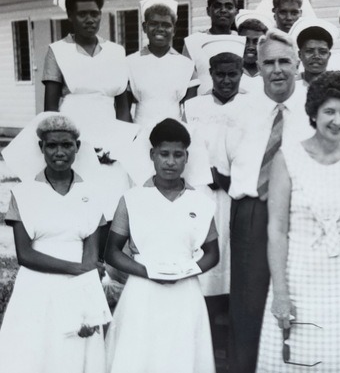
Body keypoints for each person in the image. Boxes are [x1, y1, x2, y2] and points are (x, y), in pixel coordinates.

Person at [256, 70, 340, 372]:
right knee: (303, 357)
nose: (337, 120)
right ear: (313, 113)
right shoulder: (287, 158)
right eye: (329, 111)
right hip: (300, 274)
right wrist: (280, 292)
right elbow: (276, 230)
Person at [213, 29, 314, 373]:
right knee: (248, 304)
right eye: (268, 62)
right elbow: (222, 165)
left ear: (298, 64)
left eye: (284, 61)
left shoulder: (315, 107)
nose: (277, 70)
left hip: (302, 215)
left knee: (300, 300)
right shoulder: (240, 109)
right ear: (257, 65)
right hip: (253, 213)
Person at [104, 118, 219, 373]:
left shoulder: (199, 202)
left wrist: (186, 271)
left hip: (185, 292)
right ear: (152, 155)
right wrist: (148, 272)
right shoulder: (132, 199)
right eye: (163, 154)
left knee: (181, 355)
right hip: (142, 291)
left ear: (186, 157)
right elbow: (111, 252)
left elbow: (213, 254)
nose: (170, 161)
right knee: (141, 355)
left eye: (178, 155)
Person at [0, 114, 107, 373]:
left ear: (77, 147)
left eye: (66, 145)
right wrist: (78, 269)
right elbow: (25, 255)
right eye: (51, 145)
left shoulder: (92, 193)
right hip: (35, 287)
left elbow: (91, 256)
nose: (59, 152)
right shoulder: (24, 193)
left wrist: (87, 308)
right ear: (41, 148)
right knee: (35, 353)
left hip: (78, 288)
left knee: (75, 352)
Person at [42, 0, 137, 225]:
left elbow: (123, 107)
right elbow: (50, 110)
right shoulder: (57, 51)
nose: (89, 20)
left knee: (113, 201)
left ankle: (109, 259)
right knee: (80, 205)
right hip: (74, 136)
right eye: (82, 14)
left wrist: (119, 146)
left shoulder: (115, 51)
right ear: (70, 16)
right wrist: (71, 145)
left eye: (94, 14)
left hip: (110, 138)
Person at [183, 35, 248, 357]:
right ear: (210, 73)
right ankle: (204, 343)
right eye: (220, 74)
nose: (226, 80)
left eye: (232, 73)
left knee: (233, 263)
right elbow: (188, 150)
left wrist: (226, 178)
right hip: (200, 194)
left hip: (236, 196)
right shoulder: (193, 107)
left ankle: (231, 347)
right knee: (204, 261)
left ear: (241, 73)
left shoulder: (252, 107)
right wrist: (204, 176)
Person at [126, 0, 196, 129]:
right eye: (154, 23)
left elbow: (190, 114)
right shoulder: (129, 63)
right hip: (140, 135)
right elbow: (124, 112)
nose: (160, 29)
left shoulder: (187, 66)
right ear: (144, 27)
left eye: (166, 25)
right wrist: (131, 138)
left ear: (174, 30)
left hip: (175, 138)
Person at [183, 0, 239, 94]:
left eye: (229, 7)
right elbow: (188, 85)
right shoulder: (193, 42)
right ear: (208, 10)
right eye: (218, 6)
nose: (223, 10)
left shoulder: (242, 41)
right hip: (203, 107)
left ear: (236, 11)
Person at [289, 17, 338, 92]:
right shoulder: (290, 87)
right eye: (309, 51)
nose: (316, 56)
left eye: (322, 52)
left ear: (329, 55)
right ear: (300, 55)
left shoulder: (339, 86)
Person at [236, 9, 274, 94]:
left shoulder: (272, 73)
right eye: (246, 41)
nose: (251, 47)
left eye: (256, 42)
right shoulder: (231, 73)